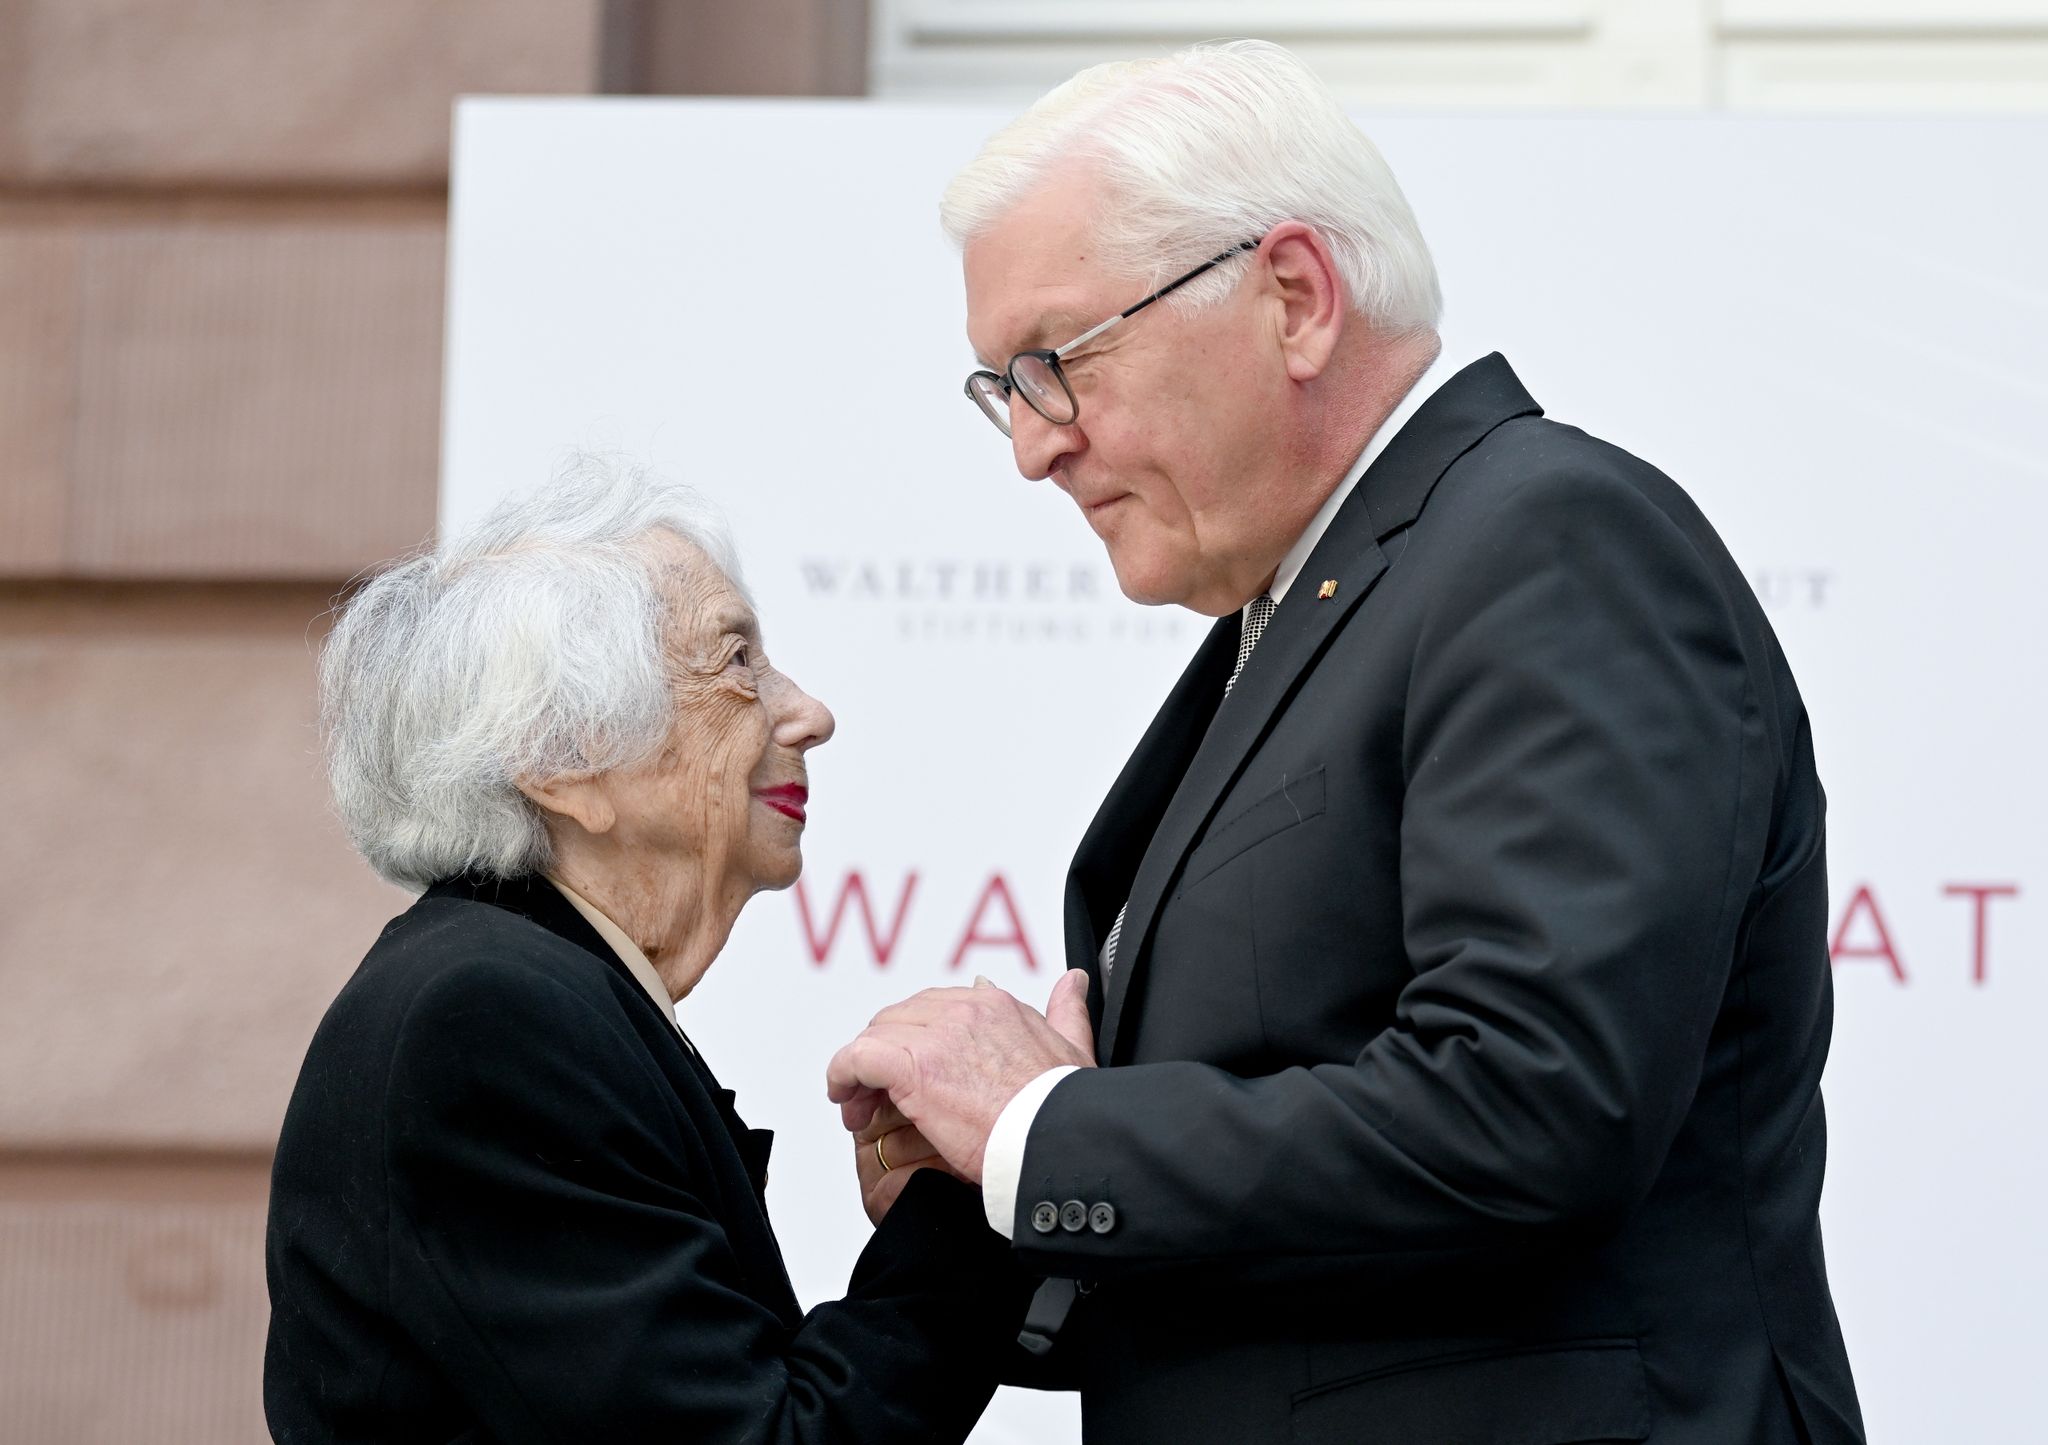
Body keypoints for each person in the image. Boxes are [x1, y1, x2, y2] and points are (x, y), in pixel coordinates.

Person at [827, 40, 1865, 1444]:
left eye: (1054, 362)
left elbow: (1531, 1108)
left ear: (1297, 297)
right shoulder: (1323, 603)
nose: (1031, 445)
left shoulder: (1549, 543)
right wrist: (1009, 1200)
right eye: (998, 387)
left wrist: (1046, 1131)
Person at [264, 461, 1024, 1443]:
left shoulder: (523, 989)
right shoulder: (485, 1021)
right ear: (564, 758)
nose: (807, 713)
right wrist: (977, 1178)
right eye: (737, 660)